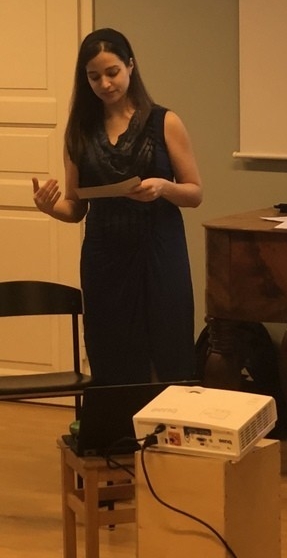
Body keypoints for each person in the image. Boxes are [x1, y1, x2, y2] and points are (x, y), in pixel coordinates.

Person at [32, 28, 202, 385]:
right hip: (104, 255)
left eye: (112, 73)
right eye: (94, 77)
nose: (105, 84)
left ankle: (165, 419)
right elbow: (76, 208)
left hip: (158, 250)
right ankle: (118, 421)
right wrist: (50, 208)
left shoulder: (164, 121)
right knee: (112, 351)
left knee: (165, 345)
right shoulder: (79, 132)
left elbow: (194, 193)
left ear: (130, 66)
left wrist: (164, 187)